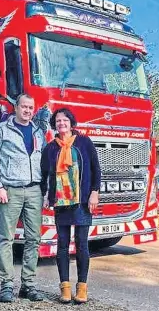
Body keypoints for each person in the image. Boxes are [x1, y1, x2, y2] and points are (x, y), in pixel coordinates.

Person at [0, 94, 47, 303]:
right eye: (24, 107)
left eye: (31, 108)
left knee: (33, 239)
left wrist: (45, 191)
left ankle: (28, 285)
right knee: (6, 239)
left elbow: (44, 163)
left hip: (35, 191)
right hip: (10, 190)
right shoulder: (2, 130)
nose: (28, 111)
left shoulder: (39, 132)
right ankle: (6, 286)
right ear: (16, 108)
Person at [41, 108, 101, 304]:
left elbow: (95, 169)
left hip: (82, 201)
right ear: (54, 125)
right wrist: (46, 195)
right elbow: (45, 174)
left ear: (71, 122)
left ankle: (82, 288)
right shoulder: (50, 148)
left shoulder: (84, 142)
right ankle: (65, 288)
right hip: (61, 202)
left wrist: (95, 192)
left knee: (82, 244)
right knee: (63, 245)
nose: (61, 123)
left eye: (65, 120)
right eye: (58, 121)